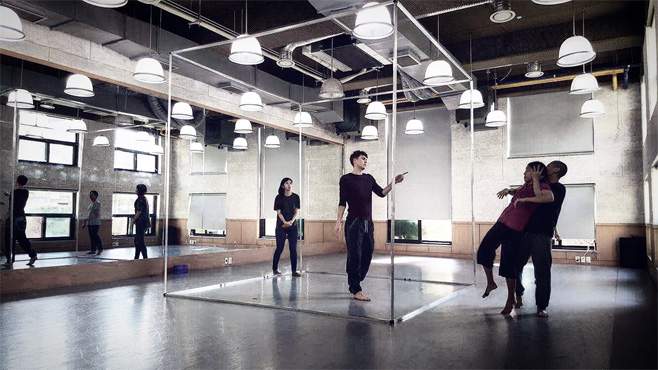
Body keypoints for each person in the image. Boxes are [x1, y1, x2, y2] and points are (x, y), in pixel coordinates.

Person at [477, 162, 553, 315]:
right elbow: (518, 191)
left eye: (527, 171)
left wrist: (536, 181)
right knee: (484, 251)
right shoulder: (526, 186)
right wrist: (509, 190)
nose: (523, 173)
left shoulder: (543, 186)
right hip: (502, 223)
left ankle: (510, 299)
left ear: (536, 173)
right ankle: (491, 283)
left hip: (515, 229)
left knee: (508, 265)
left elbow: (548, 197)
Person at [335, 150, 405, 302]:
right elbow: (342, 202)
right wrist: (338, 221)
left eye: (366, 159)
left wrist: (394, 182)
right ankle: (356, 288)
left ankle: (355, 280)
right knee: (355, 254)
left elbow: (381, 192)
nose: (366, 161)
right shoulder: (346, 179)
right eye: (363, 158)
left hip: (368, 222)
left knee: (368, 252)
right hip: (354, 222)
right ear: (354, 160)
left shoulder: (369, 178)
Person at [511, 161, 568, 318]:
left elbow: (540, 197)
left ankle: (541, 306)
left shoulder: (558, 189)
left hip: (542, 234)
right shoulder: (541, 184)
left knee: (542, 272)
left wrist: (535, 180)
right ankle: (519, 294)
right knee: (516, 265)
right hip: (525, 232)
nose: (545, 167)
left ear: (556, 170)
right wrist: (511, 191)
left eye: (549, 165)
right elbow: (525, 191)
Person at [3, 175, 37, 268]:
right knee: (22, 239)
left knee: (9, 239)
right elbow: (19, 203)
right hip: (21, 218)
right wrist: (10, 195)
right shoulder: (26, 192)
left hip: (14, 218)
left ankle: (10, 260)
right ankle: (32, 254)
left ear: (17, 182)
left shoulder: (14, 192)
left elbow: (13, 206)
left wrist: (9, 196)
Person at [272, 177, 301, 277]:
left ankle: (294, 271)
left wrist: (291, 222)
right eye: (286, 183)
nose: (289, 185)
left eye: (290, 183)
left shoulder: (296, 197)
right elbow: (279, 213)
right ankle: (275, 268)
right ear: (282, 186)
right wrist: (285, 222)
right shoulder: (278, 197)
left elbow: (296, 211)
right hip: (281, 226)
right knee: (279, 248)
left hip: (292, 226)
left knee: (293, 248)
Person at [82, 190, 103, 255]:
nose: (90, 196)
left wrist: (92, 215)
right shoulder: (91, 204)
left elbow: (96, 214)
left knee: (95, 236)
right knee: (91, 237)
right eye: (90, 194)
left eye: (92, 194)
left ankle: (100, 248)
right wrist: (85, 222)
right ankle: (93, 250)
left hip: (95, 223)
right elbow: (88, 214)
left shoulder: (97, 203)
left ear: (96, 196)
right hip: (90, 223)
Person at [133, 184, 150, 260]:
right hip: (143, 223)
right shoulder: (144, 198)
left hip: (141, 223)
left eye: (136, 189)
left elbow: (139, 211)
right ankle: (136, 257)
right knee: (137, 240)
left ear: (139, 190)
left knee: (140, 241)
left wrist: (133, 220)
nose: (135, 190)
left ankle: (145, 258)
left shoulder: (140, 199)